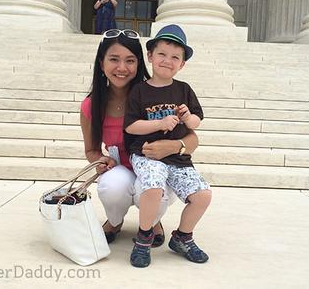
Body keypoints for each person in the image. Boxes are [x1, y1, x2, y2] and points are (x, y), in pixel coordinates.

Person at [80, 28, 200, 248]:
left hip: (158, 166)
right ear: (101, 63)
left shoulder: (155, 93)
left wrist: (173, 146)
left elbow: (193, 140)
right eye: (114, 59)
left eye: (130, 60)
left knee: (157, 189)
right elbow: (91, 150)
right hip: (122, 168)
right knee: (112, 187)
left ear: (140, 63)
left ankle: (153, 222)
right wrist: (101, 160)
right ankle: (115, 222)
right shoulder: (91, 105)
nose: (122, 68)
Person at [124, 24, 212, 268]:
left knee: (203, 196)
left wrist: (186, 118)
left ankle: (182, 237)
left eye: (175, 57)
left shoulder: (184, 90)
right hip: (147, 155)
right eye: (162, 54)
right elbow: (131, 127)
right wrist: (159, 123)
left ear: (182, 64)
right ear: (150, 56)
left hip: (178, 159)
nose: (167, 60)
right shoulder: (139, 91)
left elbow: (197, 121)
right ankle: (143, 239)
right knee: (153, 188)